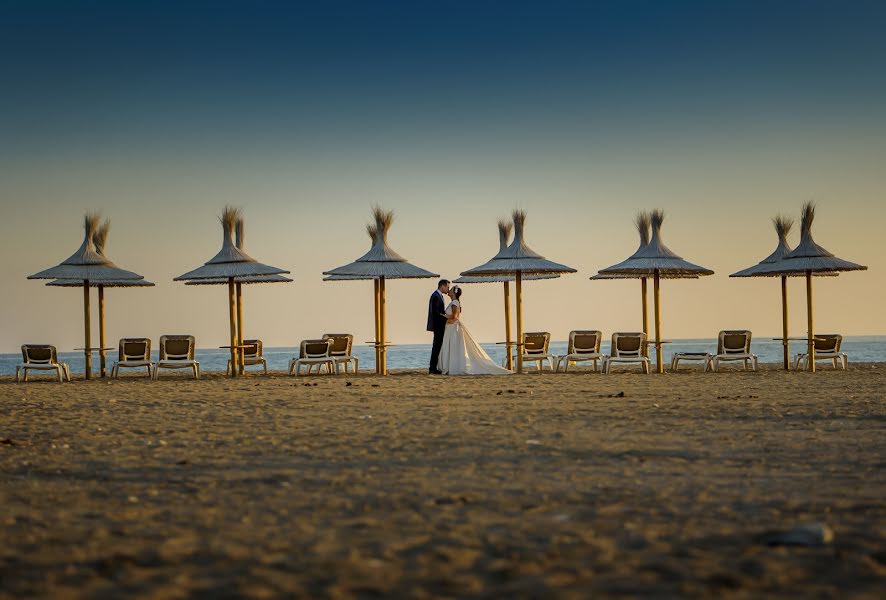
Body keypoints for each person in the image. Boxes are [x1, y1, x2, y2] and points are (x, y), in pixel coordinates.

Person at [437, 285, 511, 375]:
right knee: (452, 347)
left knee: (453, 346)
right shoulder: (453, 302)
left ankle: (453, 366)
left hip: (452, 327)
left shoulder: (455, 303)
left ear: (454, 293)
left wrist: (443, 318)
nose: (449, 290)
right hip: (450, 327)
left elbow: (454, 317)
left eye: (451, 289)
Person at [427, 279, 449, 374]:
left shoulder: (438, 295)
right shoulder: (436, 296)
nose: (448, 289)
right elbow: (435, 313)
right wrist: (446, 318)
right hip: (438, 326)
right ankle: (432, 368)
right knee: (436, 347)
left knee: (437, 346)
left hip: (439, 325)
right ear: (442, 286)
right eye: (447, 287)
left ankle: (433, 367)